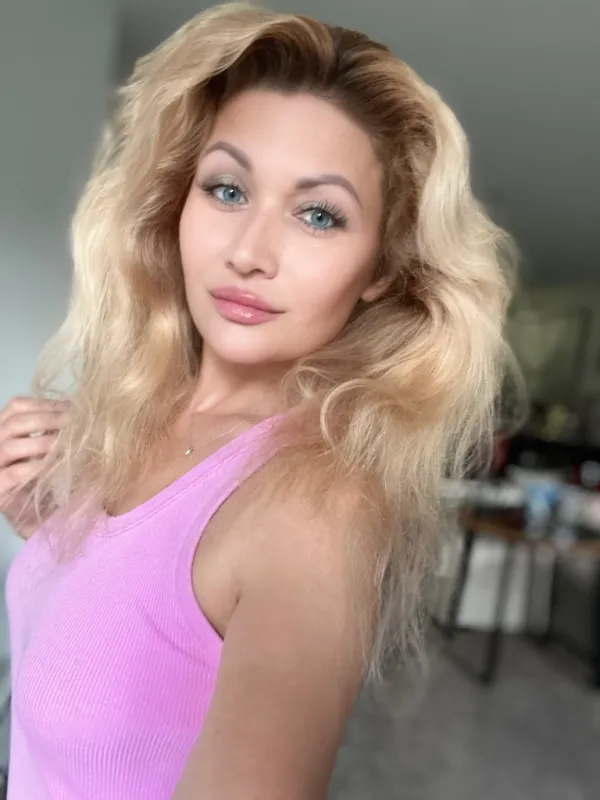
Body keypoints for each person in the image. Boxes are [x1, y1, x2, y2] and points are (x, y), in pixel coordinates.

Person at [0, 3, 516, 798]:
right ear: (177, 202)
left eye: (319, 214)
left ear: (380, 269)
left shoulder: (315, 511)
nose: (249, 252)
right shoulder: (138, 415)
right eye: (227, 189)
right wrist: (52, 532)